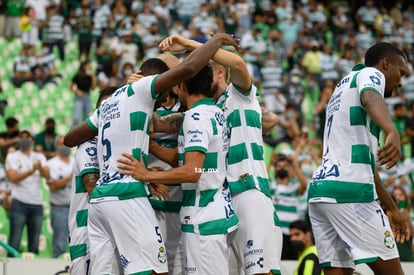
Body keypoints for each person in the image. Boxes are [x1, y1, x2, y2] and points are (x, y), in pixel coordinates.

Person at [64, 33, 241, 275]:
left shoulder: (109, 102)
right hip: (129, 195)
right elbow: (189, 68)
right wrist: (217, 39)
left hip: (100, 204)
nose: (171, 89)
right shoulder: (146, 91)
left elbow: (70, 138)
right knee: (156, 271)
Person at [158, 34, 282, 275]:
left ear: (219, 71)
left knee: (261, 271)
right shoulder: (207, 112)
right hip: (224, 202)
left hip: (249, 192)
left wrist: (192, 45)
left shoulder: (240, 95)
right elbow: (163, 124)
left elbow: (238, 64)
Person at [118, 63, 238, 275]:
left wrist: (146, 174)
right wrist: (153, 147)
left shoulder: (195, 117)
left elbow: (192, 172)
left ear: (182, 85)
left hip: (203, 218)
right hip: (212, 211)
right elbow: (184, 160)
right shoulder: (215, 112)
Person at [308, 42, 410, 275]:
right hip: (350, 193)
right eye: (400, 72)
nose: (401, 81)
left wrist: (391, 207)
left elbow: (368, 167)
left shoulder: (342, 89)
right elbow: (370, 96)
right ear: (385, 64)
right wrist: (392, 131)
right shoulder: (371, 74)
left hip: (321, 193)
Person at [68, 86, 117, 275]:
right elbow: (92, 187)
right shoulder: (89, 144)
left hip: (106, 230)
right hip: (86, 232)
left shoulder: (114, 145)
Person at [5, 129, 49, 255]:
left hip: (37, 204)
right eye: (22, 136)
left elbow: (47, 175)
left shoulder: (39, 156)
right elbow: (12, 178)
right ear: (18, 140)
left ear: (32, 140)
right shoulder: (13, 156)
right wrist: (31, 171)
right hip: (19, 202)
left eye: (27, 136)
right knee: (14, 241)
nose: (25, 139)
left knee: (34, 244)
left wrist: (40, 168)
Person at [46, 135, 73, 258]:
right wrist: (69, 177)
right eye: (61, 144)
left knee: (77, 242)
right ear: (56, 146)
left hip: (76, 207)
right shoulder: (51, 164)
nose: (64, 146)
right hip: (59, 207)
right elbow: (52, 185)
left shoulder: (75, 161)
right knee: (60, 243)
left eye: (66, 143)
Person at [70, 60, 96, 126]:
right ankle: (73, 133)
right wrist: (77, 91)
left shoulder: (90, 77)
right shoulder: (78, 76)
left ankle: (84, 135)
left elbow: (93, 88)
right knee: (76, 117)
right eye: (88, 65)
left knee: (86, 117)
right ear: (83, 66)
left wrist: (93, 78)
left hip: (87, 96)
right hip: (79, 97)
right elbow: (71, 87)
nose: (89, 67)